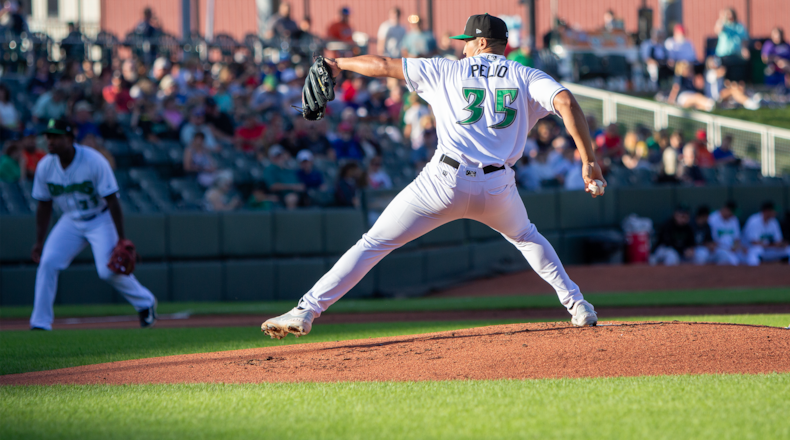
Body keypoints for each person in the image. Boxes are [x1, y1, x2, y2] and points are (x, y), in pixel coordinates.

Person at [262, 13, 605, 339]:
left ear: (483, 42)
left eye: (469, 41)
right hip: (498, 185)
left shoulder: (445, 70)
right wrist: (588, 159)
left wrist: (340, 64)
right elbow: (566, 102)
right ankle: (578, 306)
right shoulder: (525, 75)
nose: (464, 46)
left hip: (444, 180)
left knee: (373, 244)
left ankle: (305, 311)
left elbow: (382, 65)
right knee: (528, 238)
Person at [29, 119, 157, 330]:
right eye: (48, 136)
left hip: (100, 218)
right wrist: (39, 241)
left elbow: (113, 201)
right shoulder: (45, 166)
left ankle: (145, 302)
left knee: (107, 271)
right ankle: (40, 323)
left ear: (70, 138)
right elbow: (44, 205)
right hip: (71, 220)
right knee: (48, 262)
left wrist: (121, 237)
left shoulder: (94, 161)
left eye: (56, 136)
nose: (50, 141)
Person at [742, 201, 790, 266]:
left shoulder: (774, 221)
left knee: (788, 249)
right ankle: (753, 273)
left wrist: (782, 244)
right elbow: (754, 242)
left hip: (768, 250)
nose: (775, 213)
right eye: (773, 211)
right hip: (750, 250)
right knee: (757, 250)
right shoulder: (754, 220)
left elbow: (778, 240)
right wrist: (773, 245)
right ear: (767, 211)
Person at [707, 201, 742, 266]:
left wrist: (735, 246)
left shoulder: (734, 219)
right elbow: (709, 239)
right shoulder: (712, 219)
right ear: (725, 209)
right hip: (717, 249)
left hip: (732, 250)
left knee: (742, 258)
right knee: (727, 258)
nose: (732, 215)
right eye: (731, 212)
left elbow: (737, 239)